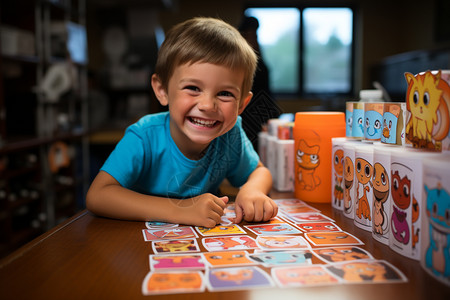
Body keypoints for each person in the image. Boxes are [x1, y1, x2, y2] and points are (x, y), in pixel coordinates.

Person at [86, 17, 278, 228]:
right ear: (162, 90)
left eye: (224, 93)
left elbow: (260, 171)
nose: (207, 105)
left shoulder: (230, 134)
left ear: (242, 104)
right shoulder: (144, 136)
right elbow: (98, 196)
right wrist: (181, 210)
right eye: (193, 88)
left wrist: (252, 190)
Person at [238, 16, 281, 151]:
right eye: (250, 34)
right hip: (248, 116)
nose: (253, 38)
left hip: (261, 112)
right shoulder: (240, 57)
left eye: (255, 34)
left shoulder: (257, 55)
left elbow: (265, 90)